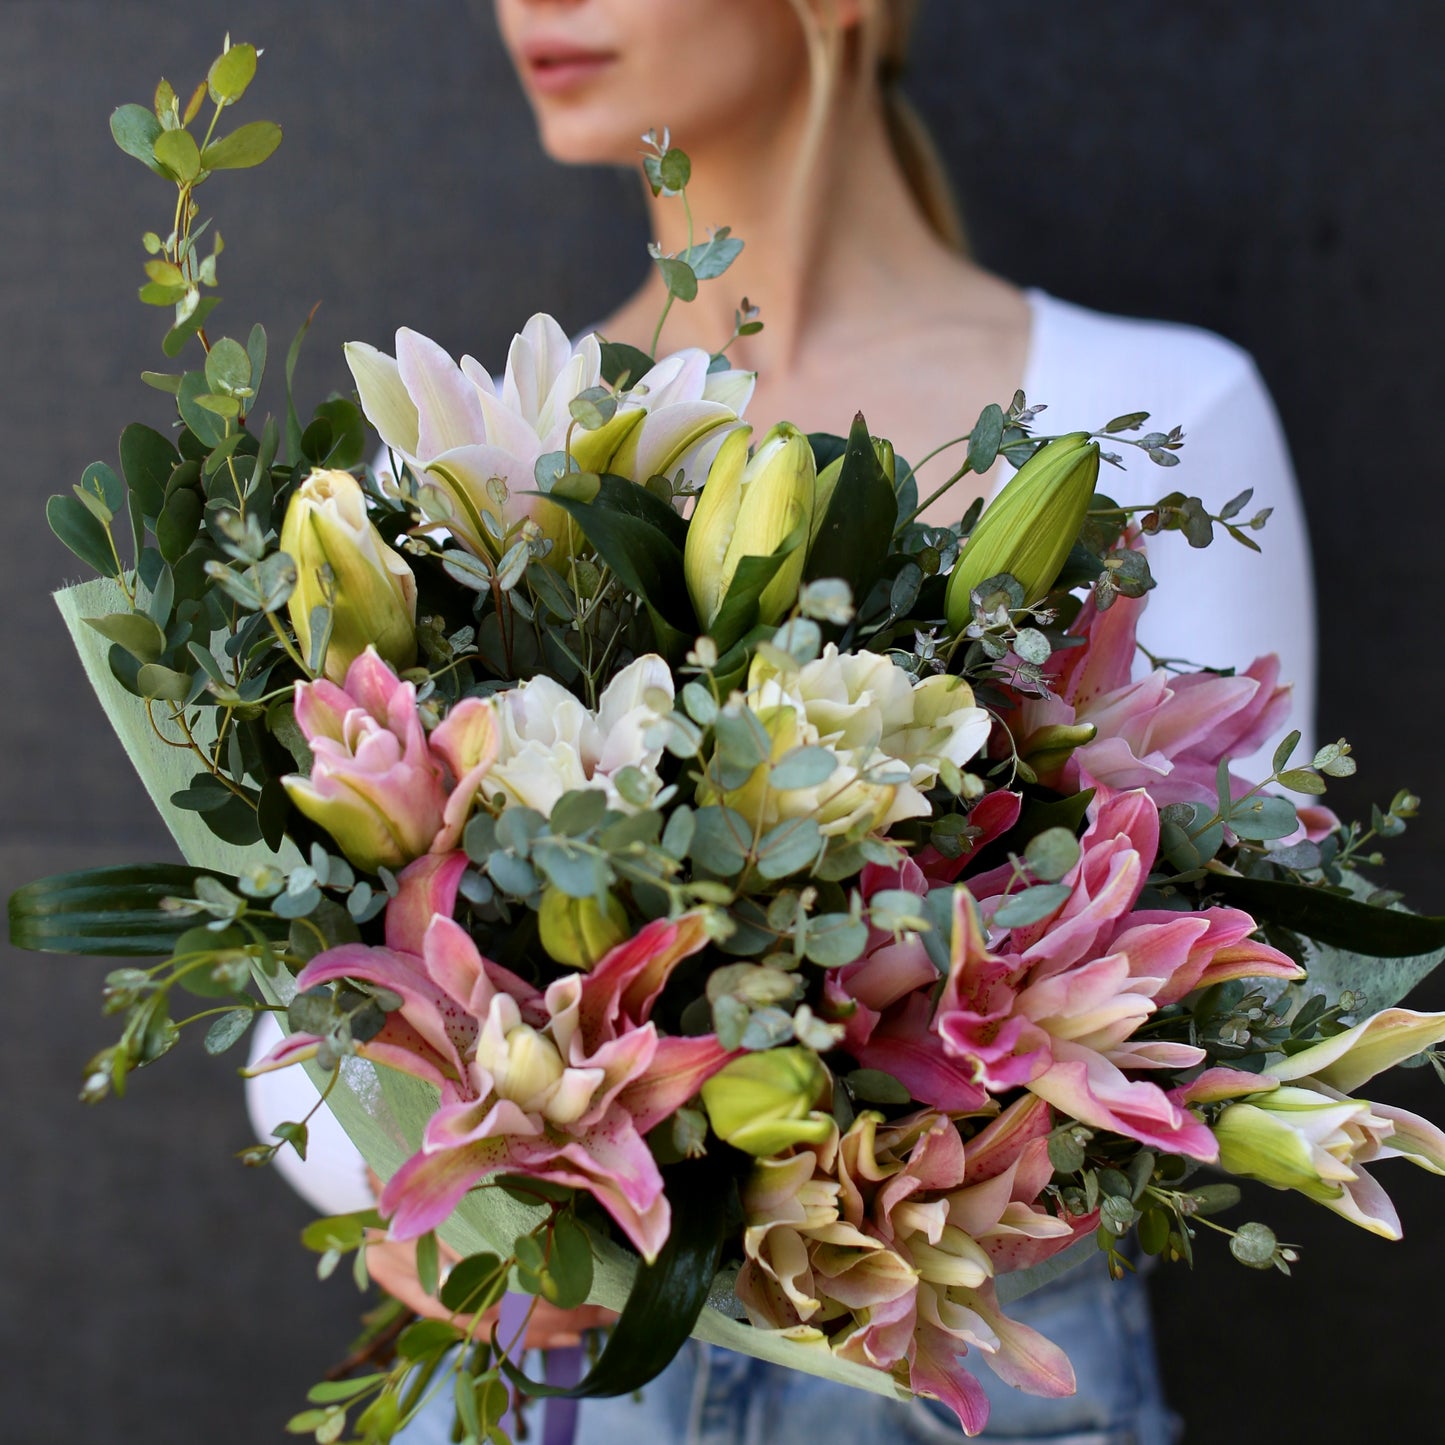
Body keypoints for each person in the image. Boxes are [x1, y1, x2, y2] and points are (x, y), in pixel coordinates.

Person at [248, 2, 1318, 1440]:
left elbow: (1245, 953)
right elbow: (300, 1023)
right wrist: (458, 1196)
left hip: (960, 1385)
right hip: (565, 1383)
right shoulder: (468, 453)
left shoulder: (1156, 410)